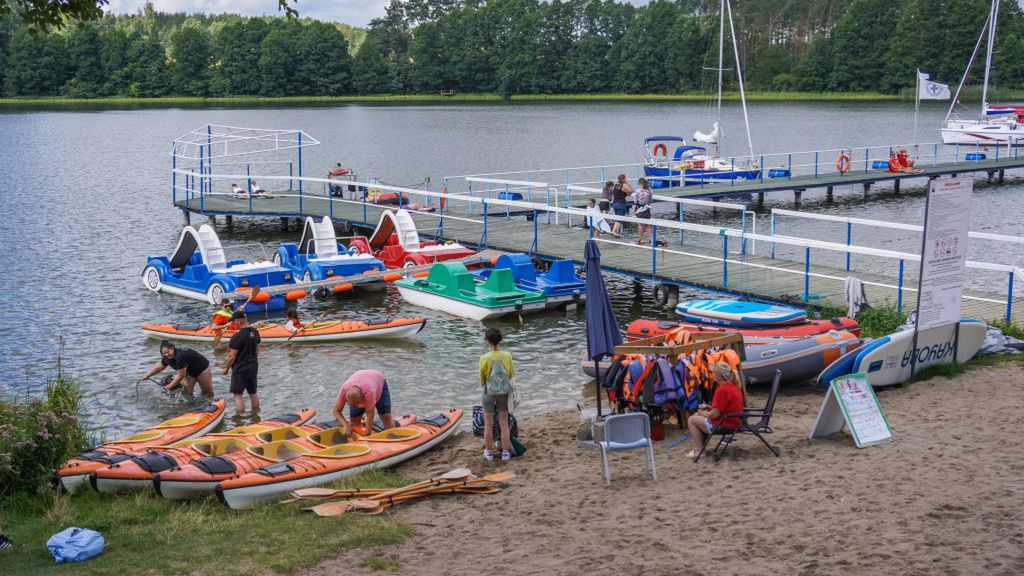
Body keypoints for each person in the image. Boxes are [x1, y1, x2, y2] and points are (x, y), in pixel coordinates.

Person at [686, 361, 744, 459]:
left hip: (725, 424)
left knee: (692, 419)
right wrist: (707, 411)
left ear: (719, 376)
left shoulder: (721, 390)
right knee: (697, 417)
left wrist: (702, 413)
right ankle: (700, 448)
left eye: (713, 373)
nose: (712, 375)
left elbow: (713, 415)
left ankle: (700, 451)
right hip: (734, 421)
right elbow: (723, 408)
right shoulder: (733, 386)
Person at [479, 327, 515, 462]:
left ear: (488, 341)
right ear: (500, 340)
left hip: (489, 393)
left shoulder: (484, 358)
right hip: (504, 393)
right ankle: (505, 453)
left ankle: (488, 453)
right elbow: (511, 375)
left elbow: (481, 379)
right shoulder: (507, 356)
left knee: (488, 424)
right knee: (503, 423)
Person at [333, 369, 396, 438]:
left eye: (356, 404)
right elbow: (336, 411)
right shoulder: (344, 389)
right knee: (354, 421)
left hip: (378, 380)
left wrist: (367, 436)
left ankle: (393, 437)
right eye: (349, 403)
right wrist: (346, 425)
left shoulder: (369, 393)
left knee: (385, 417)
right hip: (361, 381)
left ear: (362, 399)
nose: (354, 406)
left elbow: (370, 415)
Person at [140, 341, 214, 397]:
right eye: (164, 353)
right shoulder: (166, 357)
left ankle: (209, 408)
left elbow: (180, 376)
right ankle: (190, 409)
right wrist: (147, 375)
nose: (166, 355)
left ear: (172, 348)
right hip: (189, 373)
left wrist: (168, 387)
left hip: (202, 369)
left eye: (168, 352)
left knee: (207, 393)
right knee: (186, 395)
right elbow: (159, 367)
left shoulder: (180, 356)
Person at [223, 310, 261, 413]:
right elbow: (257, 349)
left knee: (238, 394)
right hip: (253, 366)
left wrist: (226, 368)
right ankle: (255, 416)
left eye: (234, 321)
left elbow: (232, 357)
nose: (234, 323)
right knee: (253, 392)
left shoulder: (237, 337)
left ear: (238, 321)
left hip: (241, 367)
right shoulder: (255, 331)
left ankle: (239, 418)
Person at [633, 177, 653, 245]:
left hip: (640, 209)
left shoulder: (637, 191)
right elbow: (650, 200)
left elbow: (635, 201)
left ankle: (642, 240)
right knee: (648, 225)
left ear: (640, 184)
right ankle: (651, 240)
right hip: (647, 208)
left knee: (640, 224)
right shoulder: (649, 190)